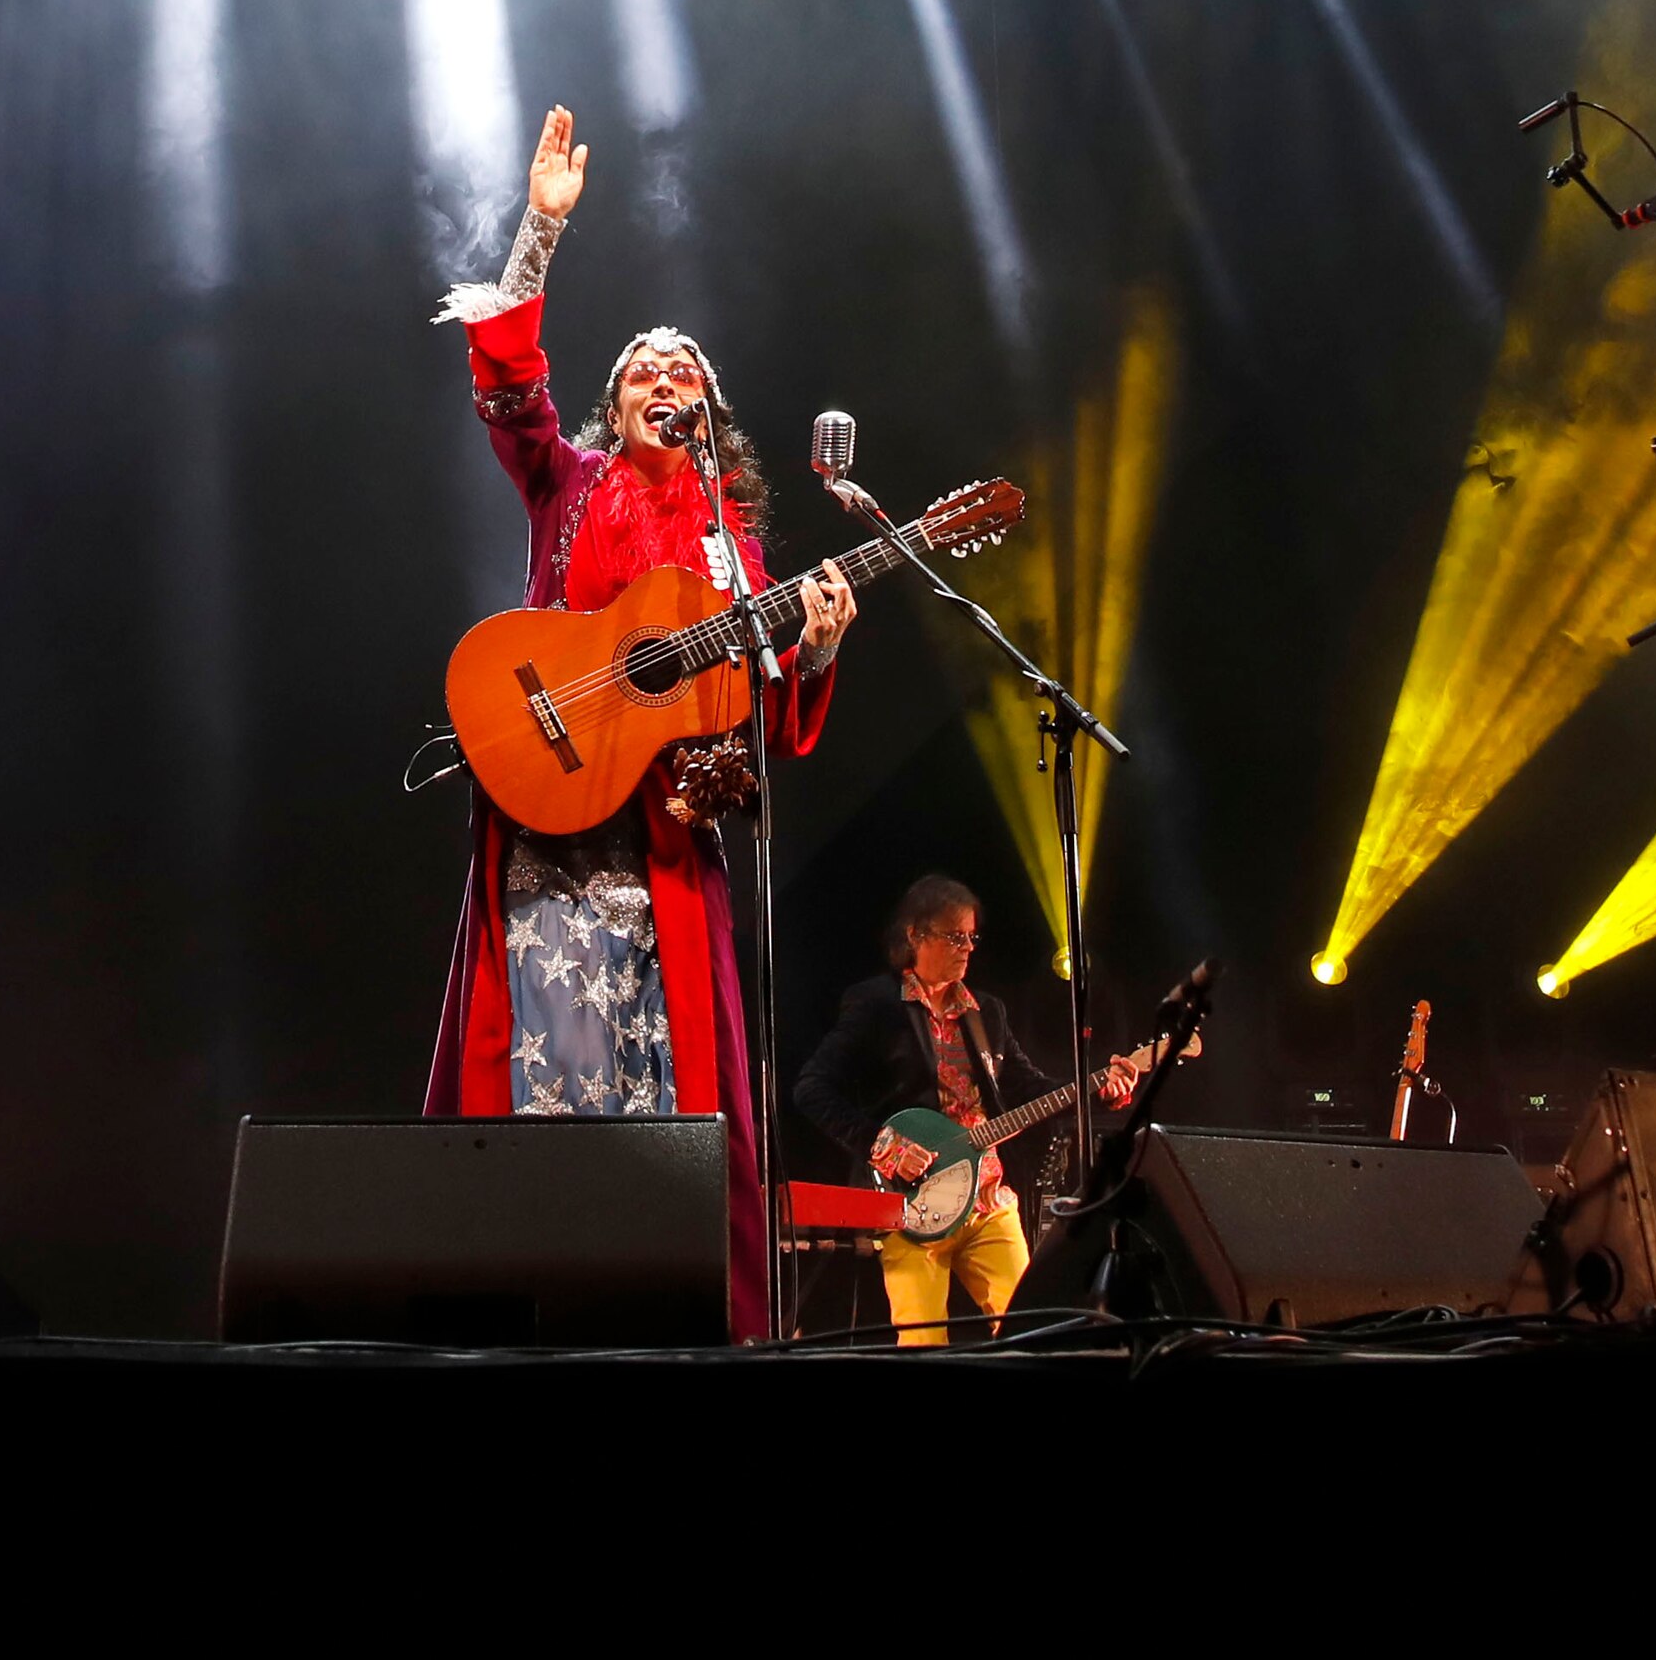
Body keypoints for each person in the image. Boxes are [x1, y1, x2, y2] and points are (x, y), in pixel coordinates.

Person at [426, 105, 857, 1340]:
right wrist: (541, 234)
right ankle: (526, 1311)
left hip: (664, 852)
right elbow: (507, 389)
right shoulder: (565, 483)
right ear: (615, 407)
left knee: (669, 1095)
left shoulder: (737, 551)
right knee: (544, 1082)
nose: (668, 376)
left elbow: (758, 706)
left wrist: (813, 641)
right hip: (556, 825)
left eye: (688, 373)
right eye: (645, 370)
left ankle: (659, 1322)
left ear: (710, 419)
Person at [792, 876, 1161, 1344]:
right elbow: (811, 1089)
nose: (967, 948)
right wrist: (882, 1145)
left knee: (1035, 1335)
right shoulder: (876, 1004)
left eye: (971, 936)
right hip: (911, 1206)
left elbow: (1032, 1090)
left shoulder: (987, 1012)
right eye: (953, 936)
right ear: (915, 935)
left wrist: (1097, 1091)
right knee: (924, 1346)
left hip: (988, 1201)